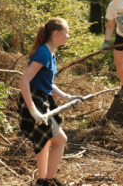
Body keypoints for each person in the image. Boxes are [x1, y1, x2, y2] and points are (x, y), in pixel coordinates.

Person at [18, 18, 83, 186]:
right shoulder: (44, 53)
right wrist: (33, 110)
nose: (68, 36)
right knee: (60, 140)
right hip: (34, 101)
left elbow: (47, 84)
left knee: (46, 139)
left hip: (42, 99)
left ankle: (44, 180)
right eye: (66, 32)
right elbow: (23, 81)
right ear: (57, 33)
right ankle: (47, 179)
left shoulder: (51, 53)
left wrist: (67, 97)